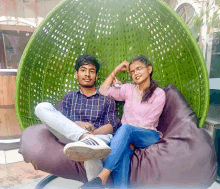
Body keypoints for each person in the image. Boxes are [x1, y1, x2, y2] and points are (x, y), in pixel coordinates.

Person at [77, 55, 166, 188]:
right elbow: (102, 90)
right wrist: (116, 70)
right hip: (127, 136)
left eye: (139, 68)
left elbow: (148, 121)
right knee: (122, 151)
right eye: (132, 71)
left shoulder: (159, 93)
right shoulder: (128, 89)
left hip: (148, 136)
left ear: (149, 69)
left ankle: (102, 177)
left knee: (124, 130)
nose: (136, 73)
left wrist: (129, 138)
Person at [34, 54, 121, 181]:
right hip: (71, 137)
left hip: (98, 138)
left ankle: (88, 142)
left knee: (90, 149)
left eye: (91, 71)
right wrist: (78, 126)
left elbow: (111, 126)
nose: (87, 74)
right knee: (41, 107)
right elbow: (59, 120)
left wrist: (93, 133)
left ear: (96, 76)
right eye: (83, 70)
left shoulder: (106, 99)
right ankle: (84, 138)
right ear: (76, 74)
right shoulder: (69, 97)